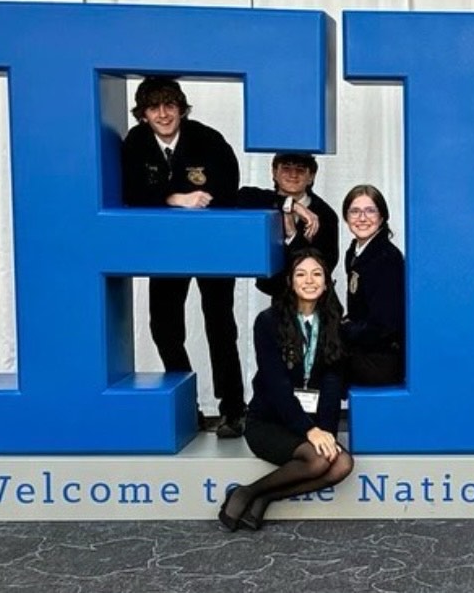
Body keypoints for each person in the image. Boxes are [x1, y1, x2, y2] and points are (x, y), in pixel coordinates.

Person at [120, 76, 246, 437]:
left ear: (181, 108)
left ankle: (234, 410)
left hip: (212, 247)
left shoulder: (208, 139)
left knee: (220, 325)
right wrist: (175, 198)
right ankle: (186, 407)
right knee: (164, 326)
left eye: (170, 105)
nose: (163, 114)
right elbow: (129, 189)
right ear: (143, 114)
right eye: (154, 107)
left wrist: (201, 199)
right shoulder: (135, 142)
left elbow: (227, 187)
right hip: (167, 250)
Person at [219, 249, 353, 531]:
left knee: (341, 463)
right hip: (269, 421)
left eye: (317, 274)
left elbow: (332, 383)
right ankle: (246, 492)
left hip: (310, 424)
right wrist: (310, 432)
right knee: (318, 461)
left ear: (327, 283)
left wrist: (326, 431)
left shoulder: (332, 322)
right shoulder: (268, 322)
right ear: (290, 281)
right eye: (301, 274)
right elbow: (277, 386)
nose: (309, 281)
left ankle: (260, 495)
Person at [238, 153, 339, 297]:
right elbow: (241, 196)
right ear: (274, 172)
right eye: (286, 168)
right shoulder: (262, 201)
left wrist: (293, 236)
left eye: (300, 169)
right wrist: (290, 204)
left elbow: (325, 265)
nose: (293, 174)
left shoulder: (325, 215)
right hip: (275, 294)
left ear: (311, 176)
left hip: (312, 299)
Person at [340, 184, 405, 386]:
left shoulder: (387, 258)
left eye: (370, 211)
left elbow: (385, 325)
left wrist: (342, 331)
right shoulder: (354, 252)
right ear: (346, 217)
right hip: (362, 347)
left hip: (382, 358)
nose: (362, 218)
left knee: (324, 364)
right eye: (355, 211)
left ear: (382, 217)